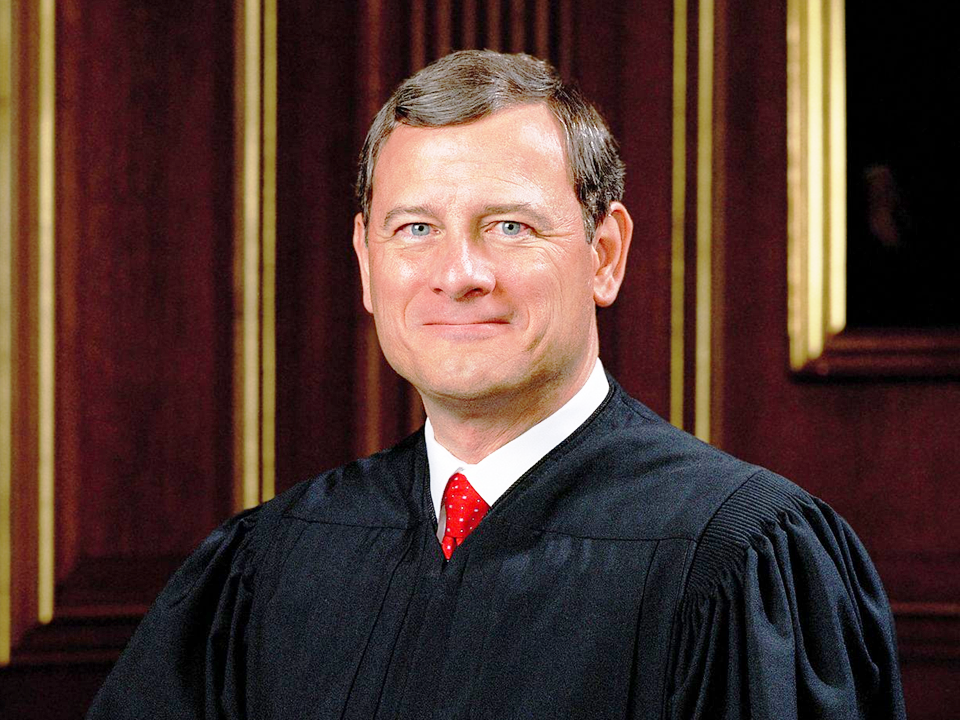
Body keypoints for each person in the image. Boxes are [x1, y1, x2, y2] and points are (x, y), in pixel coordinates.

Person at [88, 50, 905, 719]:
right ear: (366, 263)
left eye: (510, 226)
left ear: (605, 255)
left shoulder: (736, 559)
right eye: (416, 229)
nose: (460, 274)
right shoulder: (272, 562)